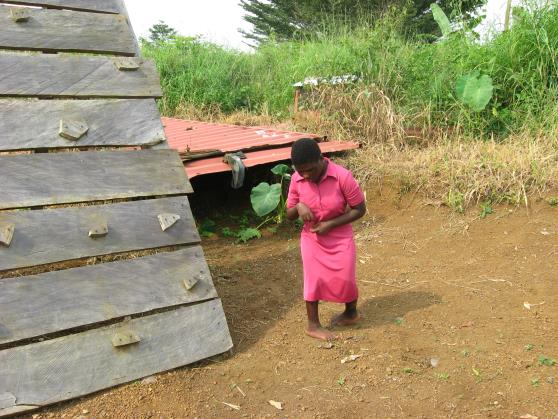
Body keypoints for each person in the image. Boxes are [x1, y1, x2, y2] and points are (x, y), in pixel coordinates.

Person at [286, 138, 366, 341]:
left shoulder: (342, 176)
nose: (305, 175)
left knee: (346, 277)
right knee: (313, 279)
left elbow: (359, 209)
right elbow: (289, 213)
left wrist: (330, 224)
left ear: (321, 159)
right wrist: (298, 207)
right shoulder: (297, 179)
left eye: (310, 170)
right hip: (311, 236)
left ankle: (351, 313)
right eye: (300, 170)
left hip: (339, 234)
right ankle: (313, 325)